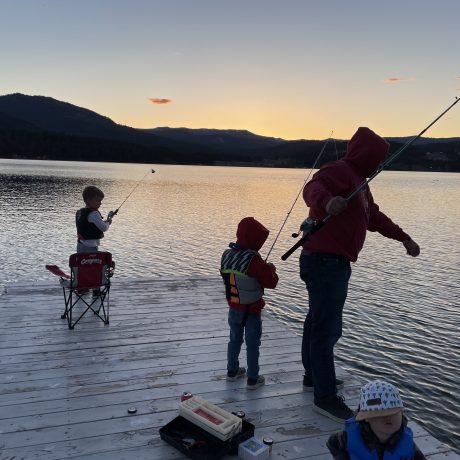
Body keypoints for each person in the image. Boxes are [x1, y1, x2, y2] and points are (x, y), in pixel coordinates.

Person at [300, 127, 420, 422]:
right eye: (378, 158)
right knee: (327, 329)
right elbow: (313, 187)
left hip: (331, 263)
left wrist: (404, 237)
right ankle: (325, 397)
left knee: (317, 320)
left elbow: (374, 217)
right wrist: (327, 202)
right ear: (366, 155)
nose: (380, 164)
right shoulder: (340, 170)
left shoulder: (361, 185)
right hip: (324, 262)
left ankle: (314, 377)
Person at [220, 217, 279, 390]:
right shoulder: (255, 261)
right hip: (252, 310)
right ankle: (253, 379)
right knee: (253, 344)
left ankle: (232, 371)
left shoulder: (226, 255)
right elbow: (272, 282)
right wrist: (270, 270)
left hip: (234, 307)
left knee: (234, 340)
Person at [327, 380, 426, 460]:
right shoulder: (347, 437)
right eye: (380, 414)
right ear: (366, 418)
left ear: (402, 414)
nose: (388, 417)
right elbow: (332, 443)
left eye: (394, 413)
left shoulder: (407, 442)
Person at [75, 185, 112, 253]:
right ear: (88, 200)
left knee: (82, 263)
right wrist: (108, 222)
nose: (100, 203)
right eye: (98, 200)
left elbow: (89, 225)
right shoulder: (93, 214)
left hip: (80, 245)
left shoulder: (80, 212)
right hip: (90, 247)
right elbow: (104, 228)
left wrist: (103, 222)